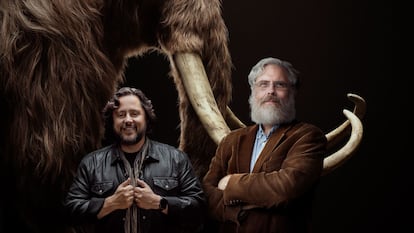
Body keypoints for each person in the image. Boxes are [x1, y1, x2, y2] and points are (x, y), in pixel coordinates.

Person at [202, 57, 327, 233]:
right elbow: (206, 194)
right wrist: (239, 211)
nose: (271, 91)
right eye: (263, 84)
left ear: (292, 93)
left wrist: (231, 183)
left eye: (280, 85)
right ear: (253, 92)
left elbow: (286, 187)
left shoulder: (308, 136)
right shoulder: (231, 140)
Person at [64, 87, 206, 233]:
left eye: (134, 113)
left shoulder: (176, 159)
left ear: (146, 118)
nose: (128, 120)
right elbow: (70, 213)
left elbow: (199, 210)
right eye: (120, 114)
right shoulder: (91, 163)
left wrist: (159, 203)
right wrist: (110, 203)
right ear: (112, 120)